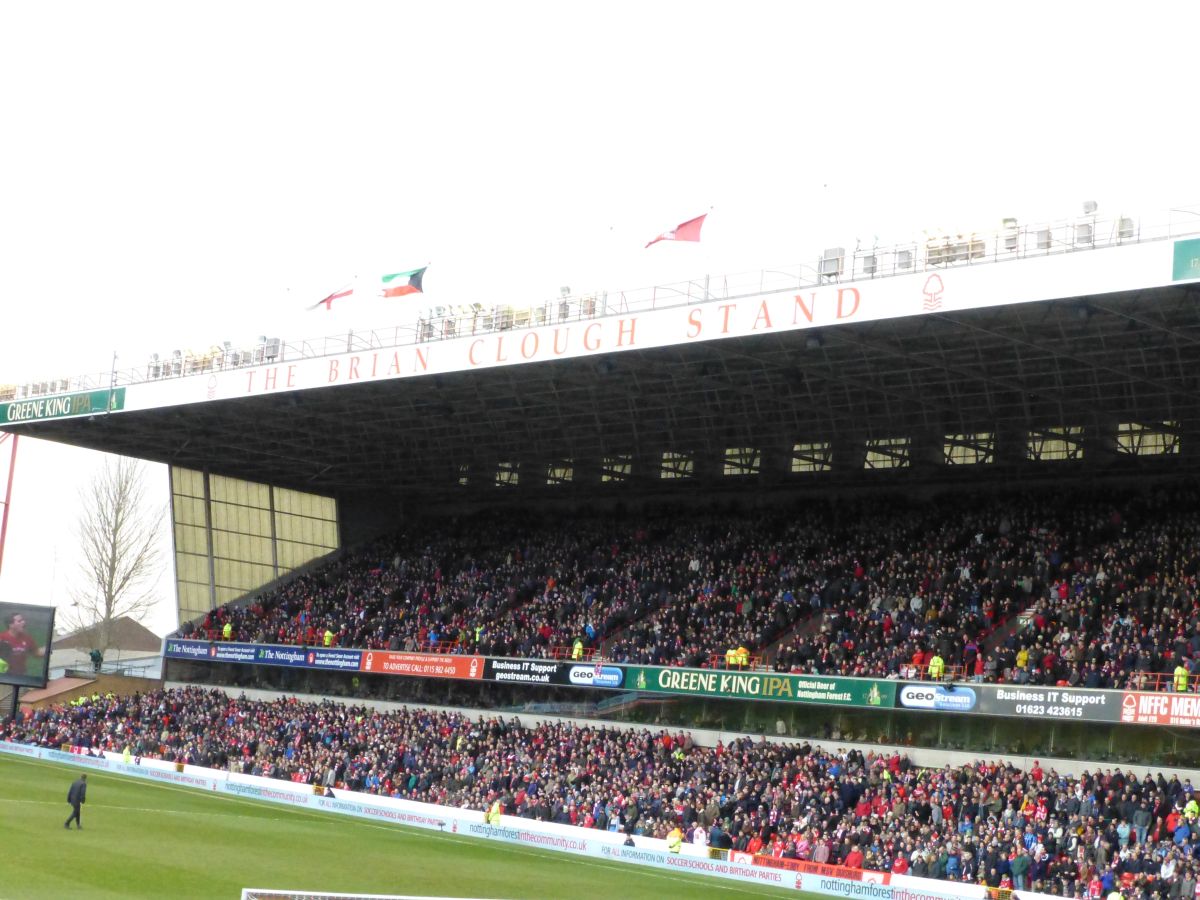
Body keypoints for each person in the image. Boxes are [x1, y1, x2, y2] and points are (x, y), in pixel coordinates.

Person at [0, 613, 44, 677]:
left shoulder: (27, 638)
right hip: (3, 676)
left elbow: (37, 653)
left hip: (21, 677)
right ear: (11, 625)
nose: (23, 622)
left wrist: (47, 649)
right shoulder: (2, 637)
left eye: (23, 620)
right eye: (19, 621)